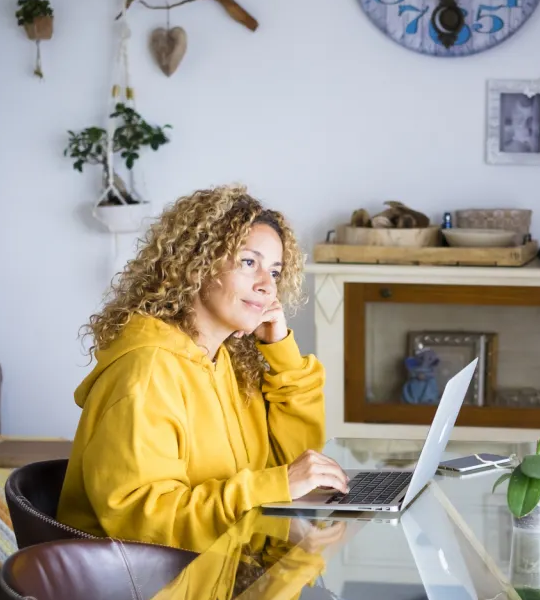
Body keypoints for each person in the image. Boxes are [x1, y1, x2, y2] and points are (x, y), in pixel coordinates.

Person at [57, 185, 351, 552]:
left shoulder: (227, 362)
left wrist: (282, 354)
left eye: (275, 272)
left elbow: (293, 469)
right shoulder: (147, 374)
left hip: (226, 586)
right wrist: (278, 485)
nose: (266, 286)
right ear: (197, 263)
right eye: (249, 263)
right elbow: (145, 523)